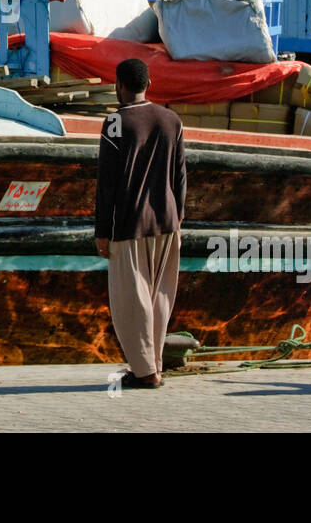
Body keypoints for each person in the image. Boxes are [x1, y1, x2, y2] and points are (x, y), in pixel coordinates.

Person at [94, 58, 186, 389]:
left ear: (120, 85)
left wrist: (102, 231)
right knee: (159, 296)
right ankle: (153, 363)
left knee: (132, 301)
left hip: (130, 224)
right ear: (149, 83)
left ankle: (147, 371)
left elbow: (107, 184)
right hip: (167, 221)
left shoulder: (115, 122)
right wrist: (179, 218)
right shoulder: (171, 120)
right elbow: (180, 177)